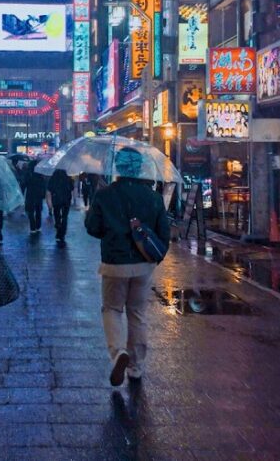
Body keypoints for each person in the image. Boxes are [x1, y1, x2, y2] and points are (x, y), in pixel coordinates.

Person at [85, 148, 169, 386]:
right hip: (143, 265)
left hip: (114, 264)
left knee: (112, 309)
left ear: (118, 167)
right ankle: (136, 366)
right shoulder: (153, 197)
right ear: (139, 167)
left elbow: (93, 228)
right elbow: (163, 233)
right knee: (137, 313)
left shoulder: (105, 195)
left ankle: (118, 352)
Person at [47, 169, 75, 244]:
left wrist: (49, 203)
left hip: (56, 200)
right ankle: (62, 233)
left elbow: (49, 189)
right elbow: (72, 188)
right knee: (65, 217)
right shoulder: (68, 178)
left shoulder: (53, 178)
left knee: (57, 215)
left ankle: (58, 228)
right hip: (66, 200)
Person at [24, 160, 47, 233]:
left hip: (30, 194)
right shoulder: (40, 174)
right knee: (38, 210)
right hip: (38, 194)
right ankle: (38, 226)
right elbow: (43, 185)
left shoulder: (28, 173)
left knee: (30, 211)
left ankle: (32, 227)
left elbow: (25, 183)